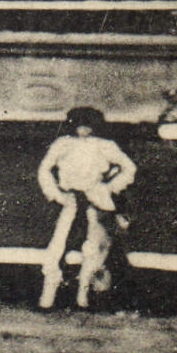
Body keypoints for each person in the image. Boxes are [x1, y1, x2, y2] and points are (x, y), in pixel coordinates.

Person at [35, 106, 136, 310]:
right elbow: (44, 170)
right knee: (58, 245)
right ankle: (48, 296)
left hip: (95, 201)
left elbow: (129, 168)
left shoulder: (104, 145)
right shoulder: (62, 144)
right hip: (70, 200)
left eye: (88, 126)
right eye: (80, 125)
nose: (84, 130)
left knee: (94, 248)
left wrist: (108, 188)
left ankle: (84, 296)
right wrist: (56, 194)